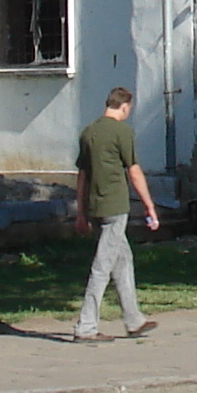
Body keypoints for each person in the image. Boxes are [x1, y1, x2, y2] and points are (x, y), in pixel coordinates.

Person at [73, 85, 161, 341]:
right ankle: (85, 327)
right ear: (124, 107)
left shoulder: (89, 132)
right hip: (116, 207)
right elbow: (133, 171)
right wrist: (149, 205)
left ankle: (134, 321)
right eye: (128, 110)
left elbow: (82, 176)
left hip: (95, 206)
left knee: (123, 261)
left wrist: (80, 212)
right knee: (102, 267)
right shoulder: (122, 131)